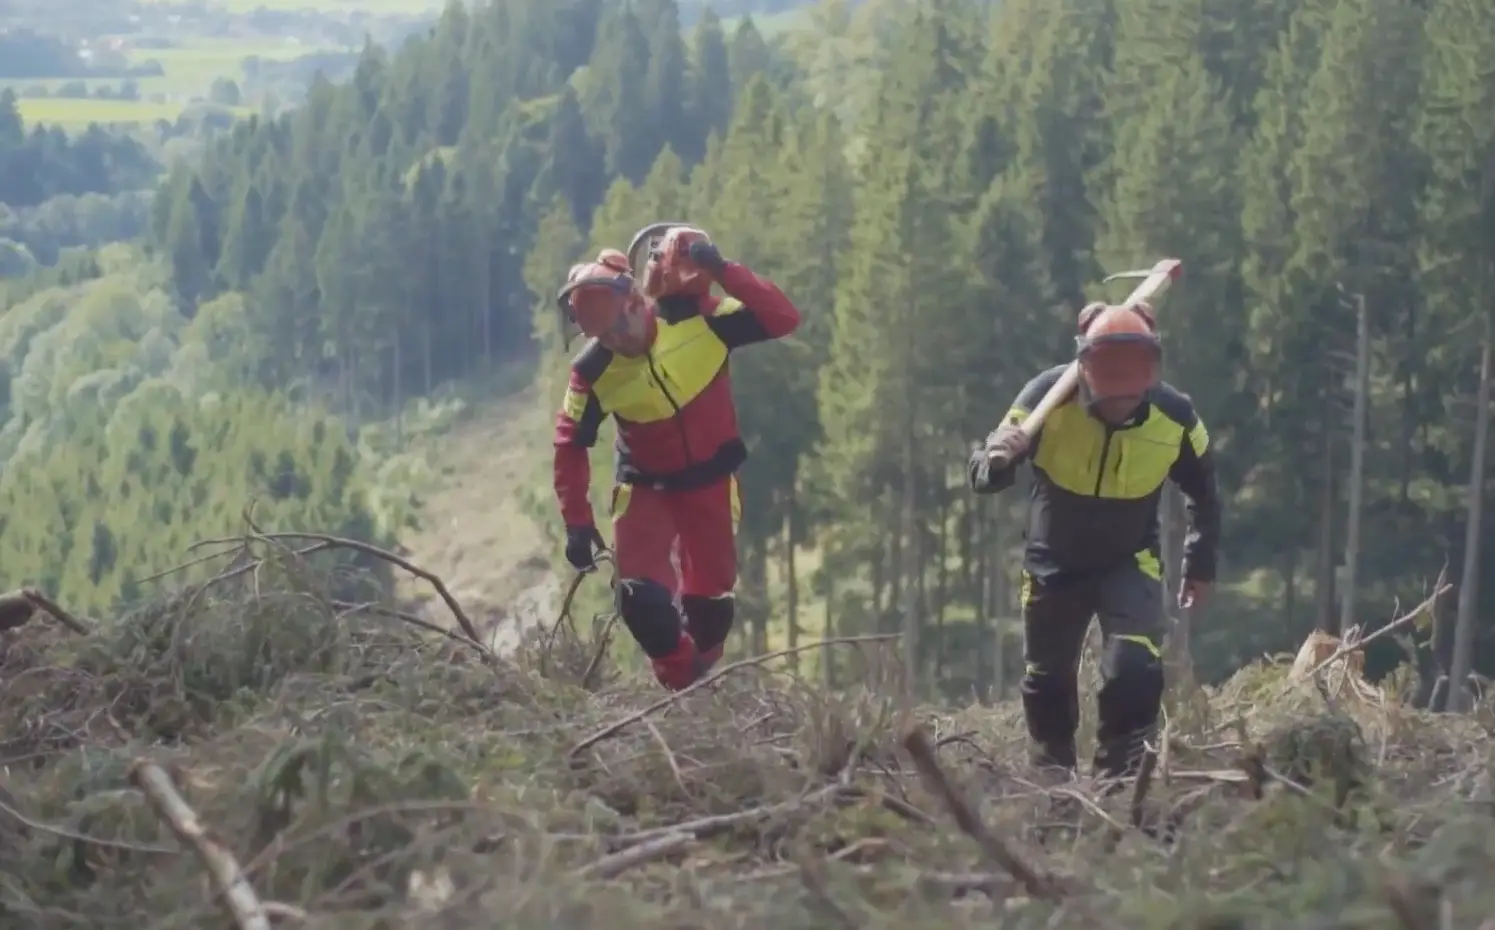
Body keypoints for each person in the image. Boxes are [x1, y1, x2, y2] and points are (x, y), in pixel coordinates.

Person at [967, 300, 1221, 780]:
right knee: (1047, 682)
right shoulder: (1045, 398)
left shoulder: (1178, 417)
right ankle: (1053, 782)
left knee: (1136, 670)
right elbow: (983, 474)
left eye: (1130, 398)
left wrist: (1200, 562)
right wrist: (1000, 455)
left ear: (1150, 375)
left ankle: (1119, 782)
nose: (1120, 409)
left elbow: (1204, 494)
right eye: (1109, 399)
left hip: (1131, 559)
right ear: (1085, 373)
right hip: (1053, 561)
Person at [551, 226, 801, 690]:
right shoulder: (592, 371)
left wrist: (724, 270)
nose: (614, 343)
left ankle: (701, 682)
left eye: (617, 329)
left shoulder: (702, 318)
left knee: (711, 610)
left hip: (710, 480)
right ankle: (679, 684)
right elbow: (569, 443)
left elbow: (784, 317)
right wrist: (577, 521)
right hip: (645, 487)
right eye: (600, 337)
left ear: (634, 303)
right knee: (639, 600)